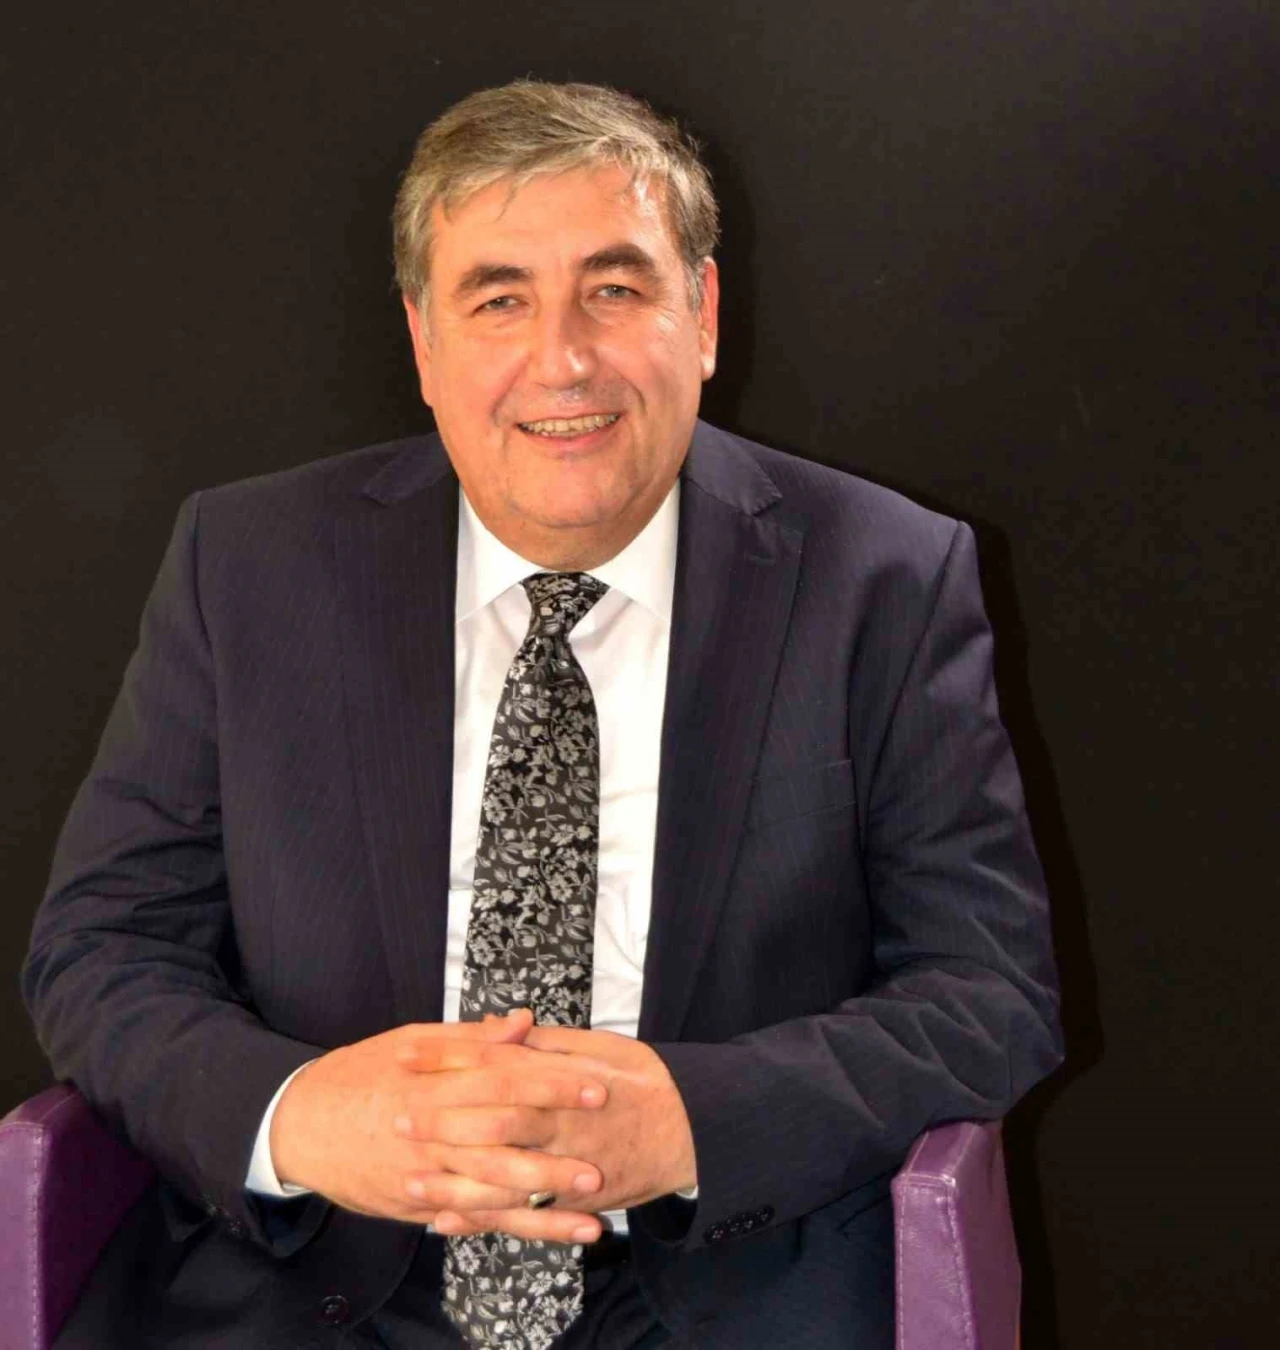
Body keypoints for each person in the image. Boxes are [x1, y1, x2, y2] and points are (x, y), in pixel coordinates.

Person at [23, 80, 1062, 1349]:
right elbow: (101, 949)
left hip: (726, 1277)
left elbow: (988, 991)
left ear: (702, 315)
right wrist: (303, 1118)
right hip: (314, 1279)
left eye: (614, 289)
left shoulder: (883, 577)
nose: (562, 359)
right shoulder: (246, 566)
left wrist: (691, 1121)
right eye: (497, 298)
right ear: (423, 341)